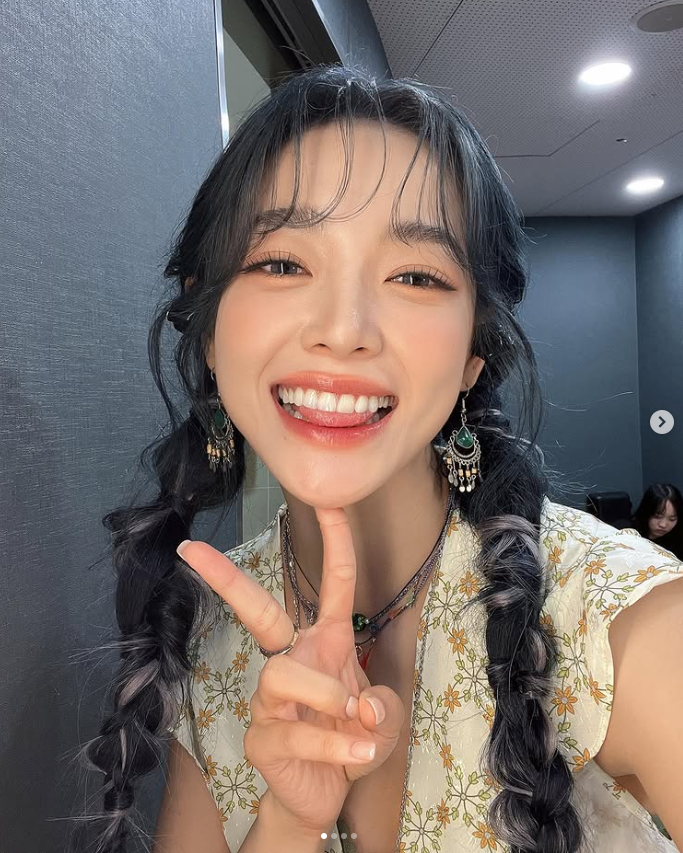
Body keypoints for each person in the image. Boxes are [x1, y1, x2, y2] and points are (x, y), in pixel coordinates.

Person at [70, 66, 683, 853]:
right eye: (281, 263)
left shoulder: (622, 617)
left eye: (415, 275)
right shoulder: (212, 623)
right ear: (209, 326)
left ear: (472, 353)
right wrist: (288, 819)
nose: (343, 328)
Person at [632, 484, 682, 560]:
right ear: (645, 512)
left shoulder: (679, 540)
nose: (663, 525)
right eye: (657, 517)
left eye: (672, 519)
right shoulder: (628, 533)